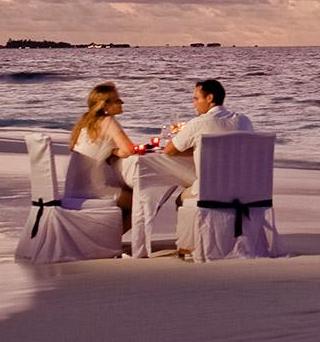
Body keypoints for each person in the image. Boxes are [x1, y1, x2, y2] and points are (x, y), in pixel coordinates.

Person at [116, 78, 255, 256]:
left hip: (212, 189)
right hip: (246, 189)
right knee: (192, 183)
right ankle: (226, 238)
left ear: (210, 98)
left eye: (196, 98)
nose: (194, 103)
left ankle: (190, 245)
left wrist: (185, 138)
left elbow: (170, 150)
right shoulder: (243, 121)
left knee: (181, 198)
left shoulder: (199, 123)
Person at [69, 82, 138, 226]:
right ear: (105, 105)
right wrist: (114, 151)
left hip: (73, 189)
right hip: (94, 190)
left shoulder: (85, 123)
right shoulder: (107, 121)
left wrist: (111, 150)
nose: (122, 102)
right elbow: (128, 150)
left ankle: (105, 238)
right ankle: (111, 241)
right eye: (117, 100)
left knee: (129, 194)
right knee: (140, 202)